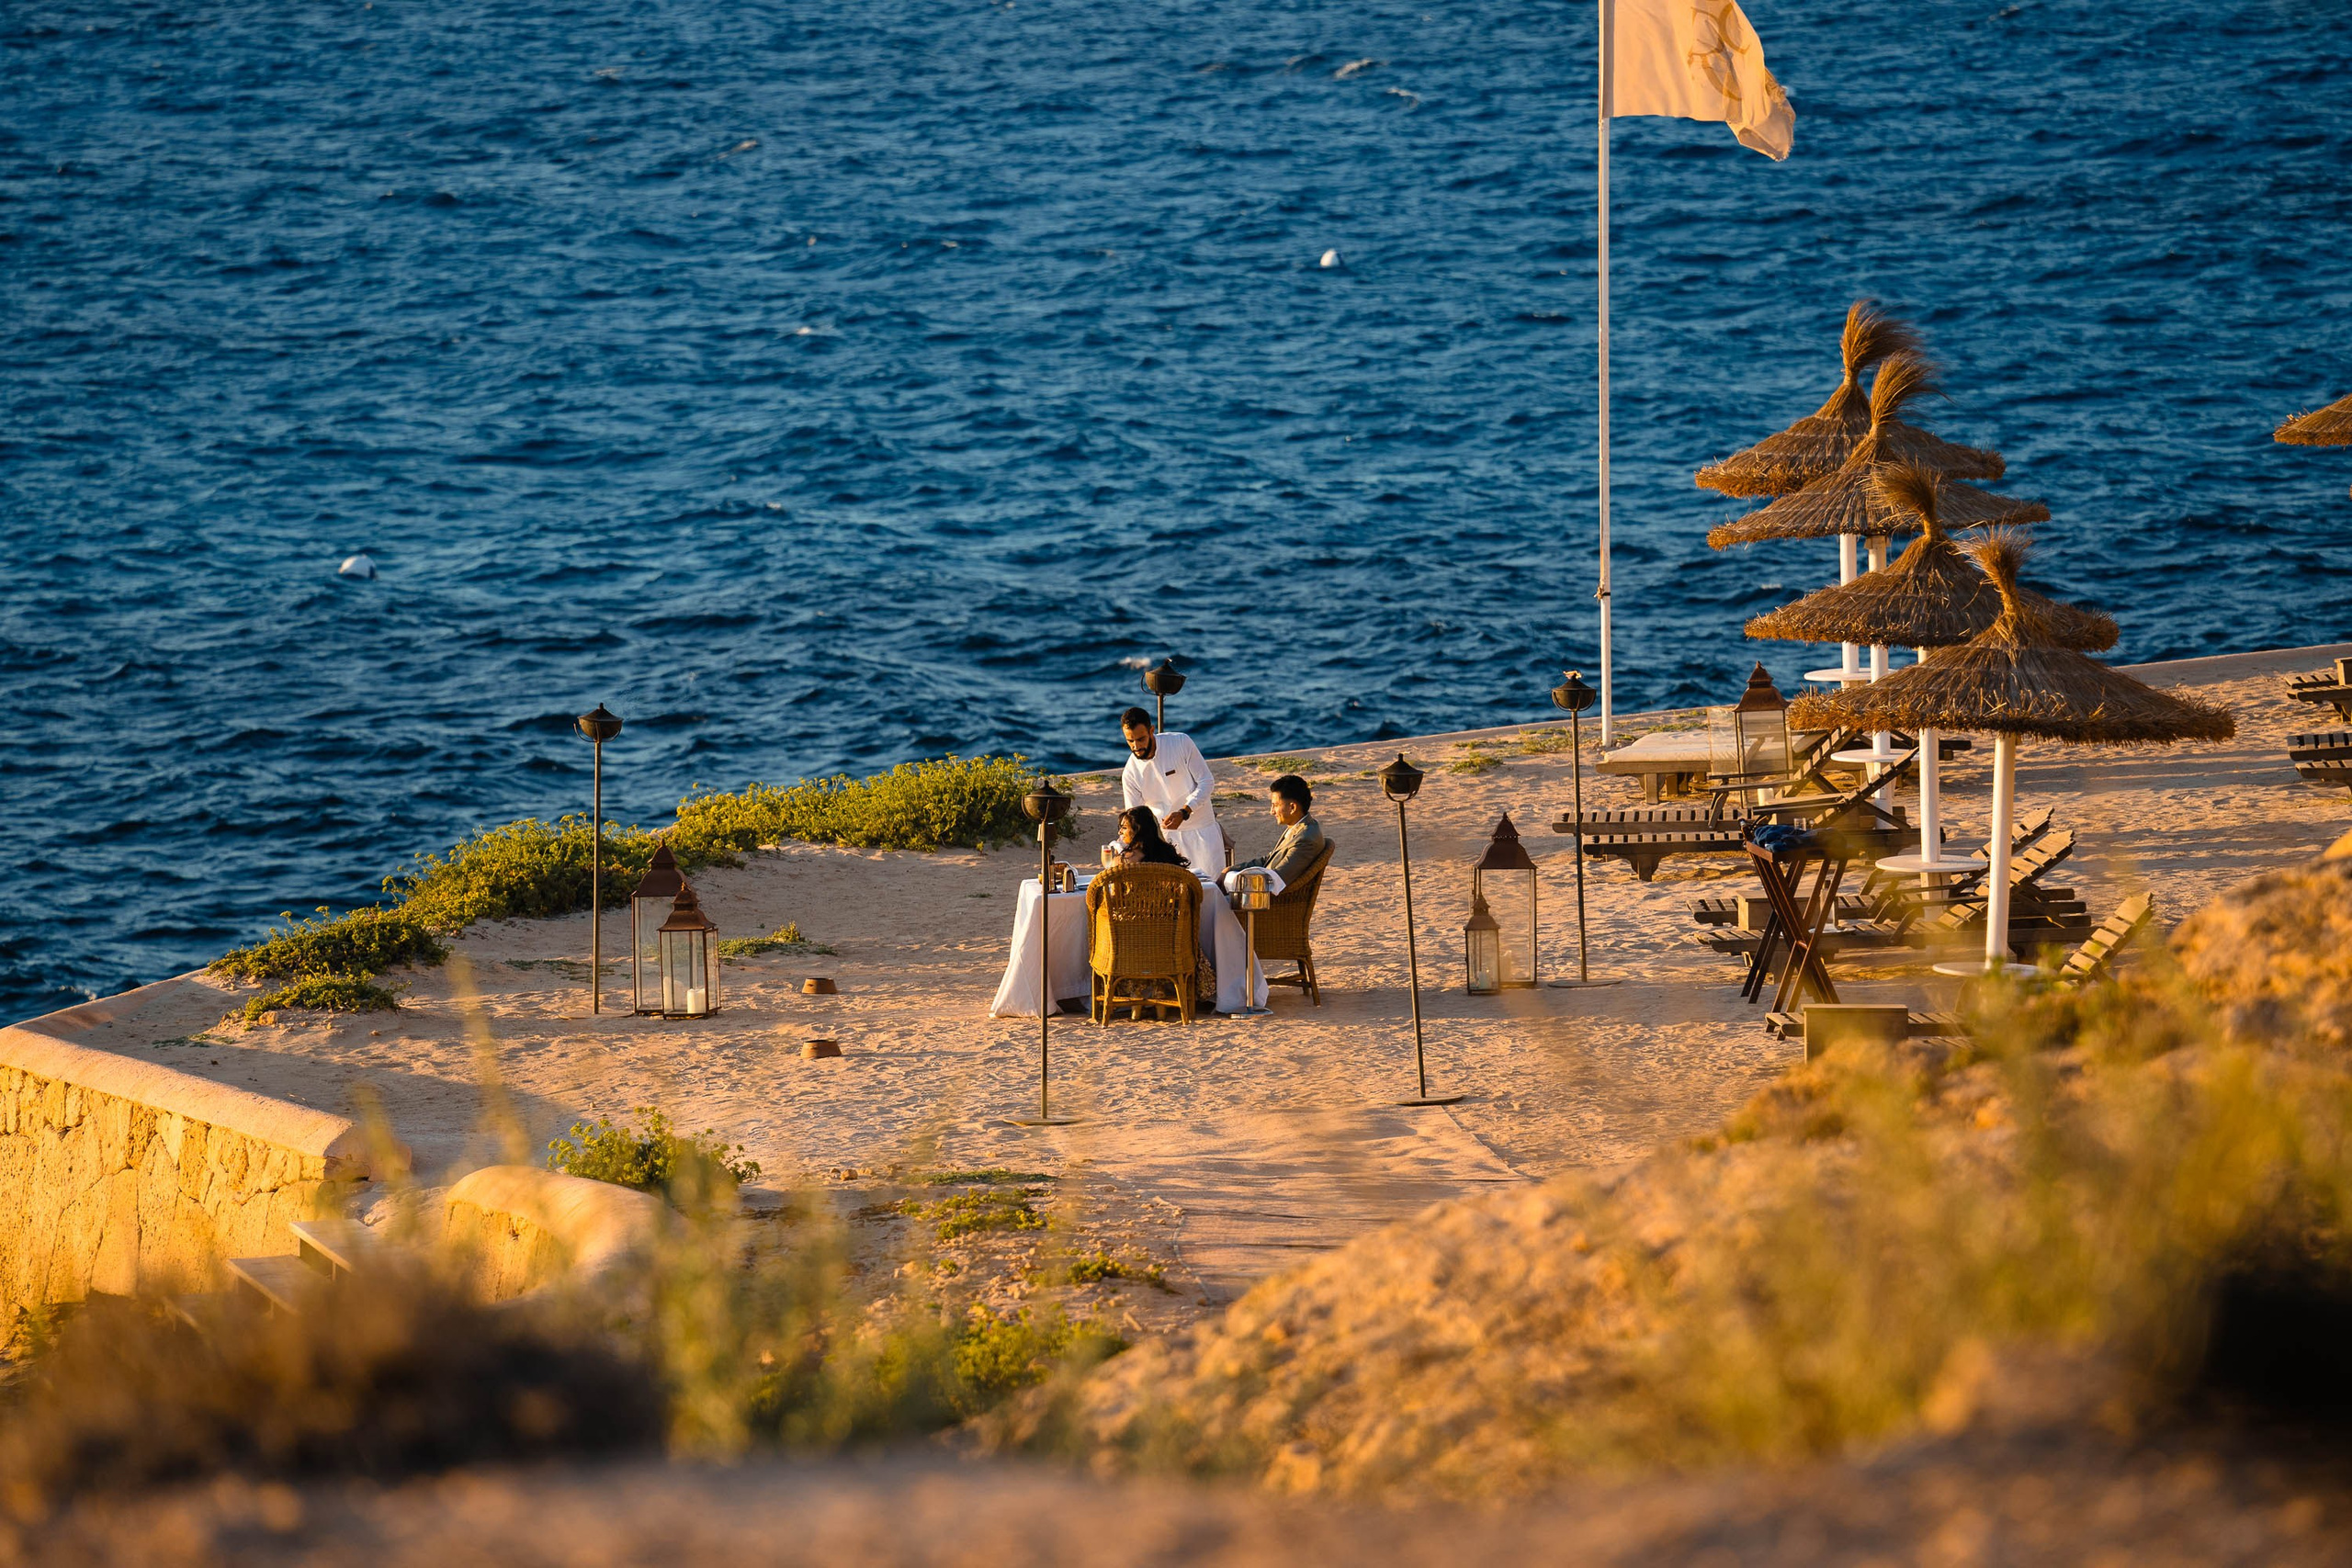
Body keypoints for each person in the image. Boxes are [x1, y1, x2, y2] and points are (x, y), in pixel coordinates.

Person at [1117, 706, 1221, 874]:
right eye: (1130, 741)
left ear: (1152, 731)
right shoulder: (1130, 773)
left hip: (1203, 832)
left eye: (1141, 739)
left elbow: (1206, 781)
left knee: (1213, 889)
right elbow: (1135, 818)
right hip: (1166, 843)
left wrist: (1185, 811)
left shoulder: (1180, 742)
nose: (1136, 746)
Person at [1232, 773, 1325, 887]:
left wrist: (1235, 878)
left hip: (1270, 899)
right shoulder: (1298, 827)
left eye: (1275, 805)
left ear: (1292, 808)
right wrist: (1232, 870)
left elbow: (1277, 878)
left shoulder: (1306, 838)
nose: (1272, 812)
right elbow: (1268, 860)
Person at [1113, 805, 1191, 869]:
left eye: (1124, 828)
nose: (1120, 832)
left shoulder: (1124, 861)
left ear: (1138, 830)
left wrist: (1117, 857)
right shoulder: (1168, 854)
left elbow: (1115, 886)